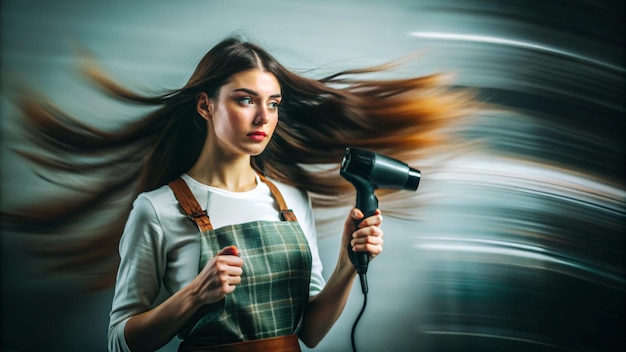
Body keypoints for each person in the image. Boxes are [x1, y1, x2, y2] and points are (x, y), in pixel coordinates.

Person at [6, 36, 476, 351]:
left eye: (272, 104)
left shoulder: (292, 202)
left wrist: (345, 269)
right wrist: (192, 296)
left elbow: (309, 334)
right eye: (245, 99)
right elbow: (120, 342)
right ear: (205, 105)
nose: (263, 118)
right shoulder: (157, 210)